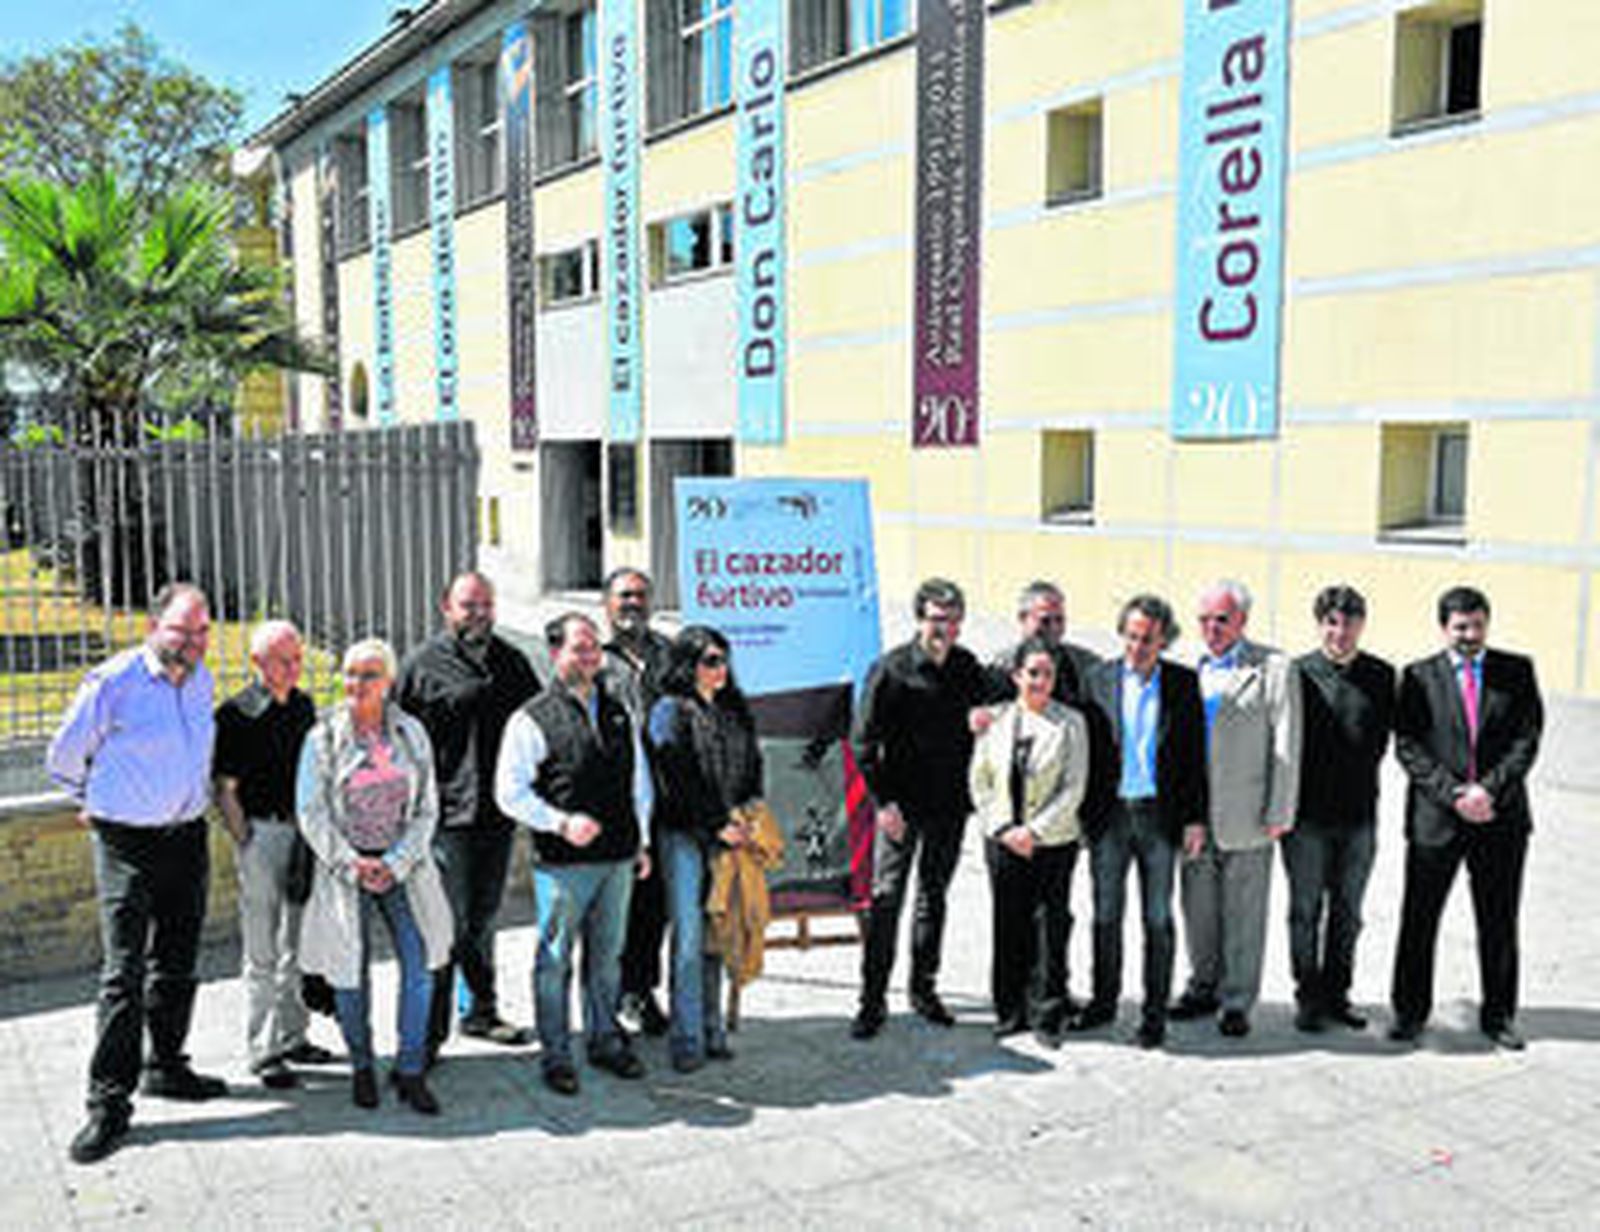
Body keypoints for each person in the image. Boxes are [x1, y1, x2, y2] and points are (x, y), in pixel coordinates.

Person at [49, 583, 227, 1164]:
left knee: (177, 961)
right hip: (126, 844)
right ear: (153, 626)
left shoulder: (200, 679)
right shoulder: (113, 682)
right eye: (182, 629)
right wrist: (95, 804)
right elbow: (63, 758)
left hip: (187, 839)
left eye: (202, 631)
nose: (193, 641)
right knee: (123, 974)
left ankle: (166, 1067)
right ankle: (108, 1105)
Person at [495, 613, 654, 1095]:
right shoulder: (530, 719)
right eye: (579, 648)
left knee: (607, 958)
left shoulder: (618, 710)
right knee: (555, 960)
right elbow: (509, 793)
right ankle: (557, 1054)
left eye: (594, 648)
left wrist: (642, 841)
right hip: (563, 865)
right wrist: (560, 822)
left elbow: (638, 781)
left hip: (618, 857)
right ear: (555, 653)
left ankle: (605, 1039)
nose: (590, 657)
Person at [296, 638, 453, 1115]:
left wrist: (397, 861)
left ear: (388, 682)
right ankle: (362, 1065)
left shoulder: (410, 733)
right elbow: (311, 812)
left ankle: (410, 1069)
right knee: (350, 969)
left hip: (403, 866)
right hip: (346, 869)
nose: (356, 684)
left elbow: (427, 808)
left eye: (368, 675)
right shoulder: (323, 737)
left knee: (421, 961)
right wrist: (351, 862)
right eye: (349, 673)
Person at [395, 571, 540, 1062]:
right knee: (445, 926)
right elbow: (397, 740)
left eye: (485, 605)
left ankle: (480, 1010)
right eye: (468, 606)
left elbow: (536, 726)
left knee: (482, 919)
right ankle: (427, 1033)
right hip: (443, 817)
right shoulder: (420, 666)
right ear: (447, 608)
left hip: (496, 815)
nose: (478, 614)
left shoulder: (512, 662)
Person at [1389, 587, 1543, 1050]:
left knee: (1499, 921)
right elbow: (1408, 746)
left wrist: (1488, 790)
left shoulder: (1517, 671)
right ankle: (1410, 1013)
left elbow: (1527, 739)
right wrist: (1454, 794)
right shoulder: (1418, 677)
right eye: (1460, 627)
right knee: (1419, 919)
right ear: (1444, 628)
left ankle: (1499, 1016)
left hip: (1501, 817)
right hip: (1437, 819)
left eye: (1477, 625)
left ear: (1486, 624)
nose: (1470, 635)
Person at [851, 578, 988, 1039]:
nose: (943, 629)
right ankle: (871, 1001)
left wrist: (985, 717)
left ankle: (923, 990)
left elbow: (994, 706)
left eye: (952, 620)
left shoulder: (967, 667)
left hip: (949, 806)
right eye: (936, 619)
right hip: (901, 808)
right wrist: (883, 801)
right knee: (887, 899)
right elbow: (863, 742)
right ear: (919, 619)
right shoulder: (891, 670)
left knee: (933, 897)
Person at [1076, 595, 1207, 1049]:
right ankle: (1103, 1003)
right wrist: (1081, 817)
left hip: (1159, 818)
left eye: (1147, 639)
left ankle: (1154, 1015)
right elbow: (1084, 751)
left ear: (1163, 640)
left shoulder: (1183, 684)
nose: (1137, 647)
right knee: (1106, 916)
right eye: (1130, 636)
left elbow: (1194, 757)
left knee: (1157, 919)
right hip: (1109, 816)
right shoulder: (1097, 680)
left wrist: (1195, 819)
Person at [1173, 579, 1300, 1038]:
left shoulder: (1273, 668)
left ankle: (1237, 1000)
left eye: (1222, 619)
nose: (1212, 628)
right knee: (1198, 908)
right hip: (1195, 813)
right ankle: (1203, 985)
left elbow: (1286, 743)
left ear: (1243, 620)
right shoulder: (1188, 668)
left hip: (1248, 811)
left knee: (1244, 912)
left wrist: (1279, 810)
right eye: (1204, 620)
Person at [215, 620, 332, 1090]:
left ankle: (294, 1036)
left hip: (303, 834)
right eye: (284, 660)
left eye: (298, 658)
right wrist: (245, 840)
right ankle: (263, 1050)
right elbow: (225, 788)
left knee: (299, 943)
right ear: (257, 662)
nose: (294, 667)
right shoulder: (235, 714)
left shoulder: (303, 706)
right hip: (262, 835)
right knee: (262, 947)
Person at [646, 626, 763, 1072]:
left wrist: (749, 810)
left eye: (724, 659)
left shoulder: (734, 707)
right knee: (690, 937)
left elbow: (753, 763)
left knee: (719, 931)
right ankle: (687, 1037)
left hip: (730, 833)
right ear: (687, 664)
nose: (721, 668)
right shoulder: (669, 710)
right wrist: (717, 822)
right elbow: (674, 775)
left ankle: (713, 1030)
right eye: (711, 660)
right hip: (684, 834)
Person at [970, 638, 1089, 1046]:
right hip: (1002, 839)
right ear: (1017, 676)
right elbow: (980, 781)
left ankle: (1048, 1014)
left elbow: (1074, 786)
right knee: (1009, 922)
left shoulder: (1071, 723)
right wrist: (1003, 828)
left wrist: (1034, 831)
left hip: (1052, 841)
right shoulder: (996, 720)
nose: (1041, 681)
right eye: (1033, 673)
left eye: (1048, 674)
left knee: (1049, 926)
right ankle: (1010, 1010)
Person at [1287, 586, 1395, 1033]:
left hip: (1359, 816)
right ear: (1320, 625)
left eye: (1350, 622)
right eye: (1332, 622)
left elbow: (1384, 740)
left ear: (1361, 625)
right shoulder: (1297, 673)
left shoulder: (1382, 675)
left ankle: (1337, 994)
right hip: (1306, 819)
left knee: (1348, 912)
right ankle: (1307, 995)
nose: (1341, 631)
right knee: (1305, 910)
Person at [602, 567, 675, 1038]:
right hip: (617, 800)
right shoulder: (595, 658)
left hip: (668, 798)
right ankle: (608, 994)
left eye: (641, 595)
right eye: (624, 595)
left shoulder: (670, 655)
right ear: (607, 603)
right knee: (616, 906)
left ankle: (641, 990)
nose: (633, 603)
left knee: (654, 905)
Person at [985, 581, 1101, 705]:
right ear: (1023, 618)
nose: (1054, 628)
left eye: (1059, 620)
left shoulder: (1084, 666)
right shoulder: (1001, 668)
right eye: (1045, 621)